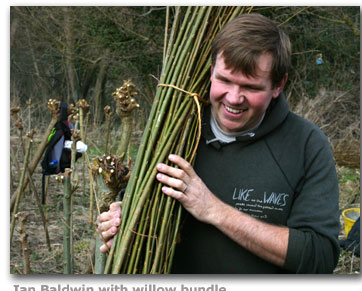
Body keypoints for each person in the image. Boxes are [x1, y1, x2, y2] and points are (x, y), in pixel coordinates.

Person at [97, 13, 340, 274]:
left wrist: (215, 210)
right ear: (211, 71)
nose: (234, 98)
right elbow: (139, 214)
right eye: (224, 80)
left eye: (251, 87)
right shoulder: (174, 129)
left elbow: (320, 256)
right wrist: (123, 220)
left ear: (278, 85)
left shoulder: (306, 144)